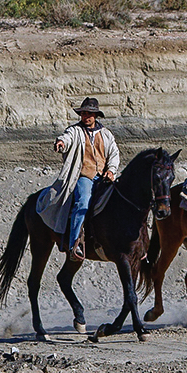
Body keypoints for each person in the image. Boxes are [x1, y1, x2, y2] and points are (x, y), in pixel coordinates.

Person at [53, 97, 120, 261]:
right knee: (82, 202)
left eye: (89, 113)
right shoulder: (75, 131)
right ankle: (74, 244)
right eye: (83, 113)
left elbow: (114, 154)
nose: (86, 116)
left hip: (104, 178)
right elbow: (67, 138)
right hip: (84, 177)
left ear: (95, 115)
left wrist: (111, 171)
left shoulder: (106, 134)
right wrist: (61, 142)